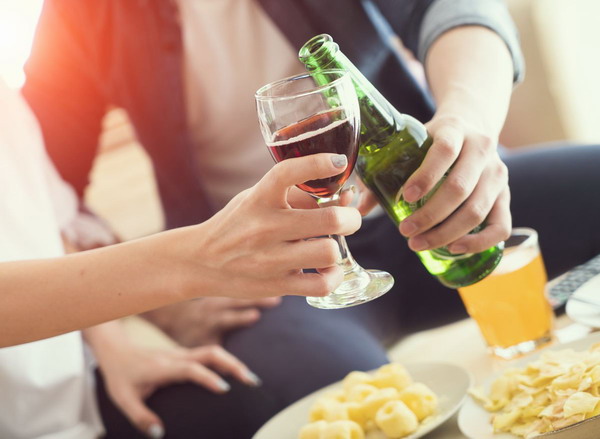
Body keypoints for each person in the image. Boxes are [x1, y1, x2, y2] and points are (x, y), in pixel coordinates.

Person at [22, 0, 600, 437]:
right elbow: (44, 190)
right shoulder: (80, 15)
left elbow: (449, 9)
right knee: (357, 409)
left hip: (422, 194)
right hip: (275, 279)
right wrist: (165, 304)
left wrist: (470, 124)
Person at [0, 79, 364, 438]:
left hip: (76, 390)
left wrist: (116, 350)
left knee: (264, 401)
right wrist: (195, 260)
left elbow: (53, 226)